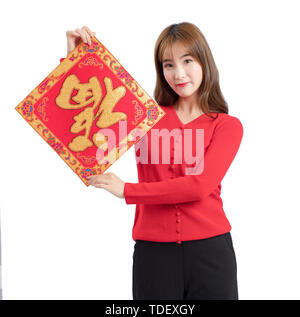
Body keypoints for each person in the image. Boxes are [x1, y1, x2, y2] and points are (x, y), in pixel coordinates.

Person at [61, 23, 244, 300]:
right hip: (154, 253)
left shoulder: (226, 126)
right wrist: (77, 63)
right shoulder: (144, 119)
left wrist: (127, 191)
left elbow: (199, 186)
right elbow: (80, 130)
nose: (178, 73)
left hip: (211, 253)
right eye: (168, 64)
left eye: (187, 61)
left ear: (204, 61)